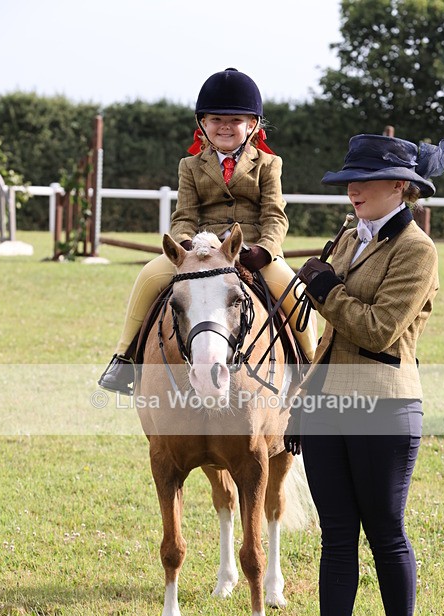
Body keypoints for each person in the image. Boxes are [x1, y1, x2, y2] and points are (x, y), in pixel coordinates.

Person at [286, 133, 444, 616]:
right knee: (336, 534)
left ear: (400, 186)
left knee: (384, 529)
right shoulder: (349, 237)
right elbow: (329, 340)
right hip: (329, 404)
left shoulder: (417, 250)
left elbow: (379, 332)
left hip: (385, 408)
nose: (352, 189)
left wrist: (328, 291)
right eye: (348, 181)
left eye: (364, 180)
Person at [98, 67, 317, 394]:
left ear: (252, 124)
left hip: (251, 251)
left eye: (235, 120)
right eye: (216, 119)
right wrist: (185, 244)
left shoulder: (270, 164)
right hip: (199, 253)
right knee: (147, 275)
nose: (225, 127)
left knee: (294, 290)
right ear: (203, 123)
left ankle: (313, 367)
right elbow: (184, 213)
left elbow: (274, 214)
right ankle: (124, 358)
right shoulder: (190, 166)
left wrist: (265, 249)